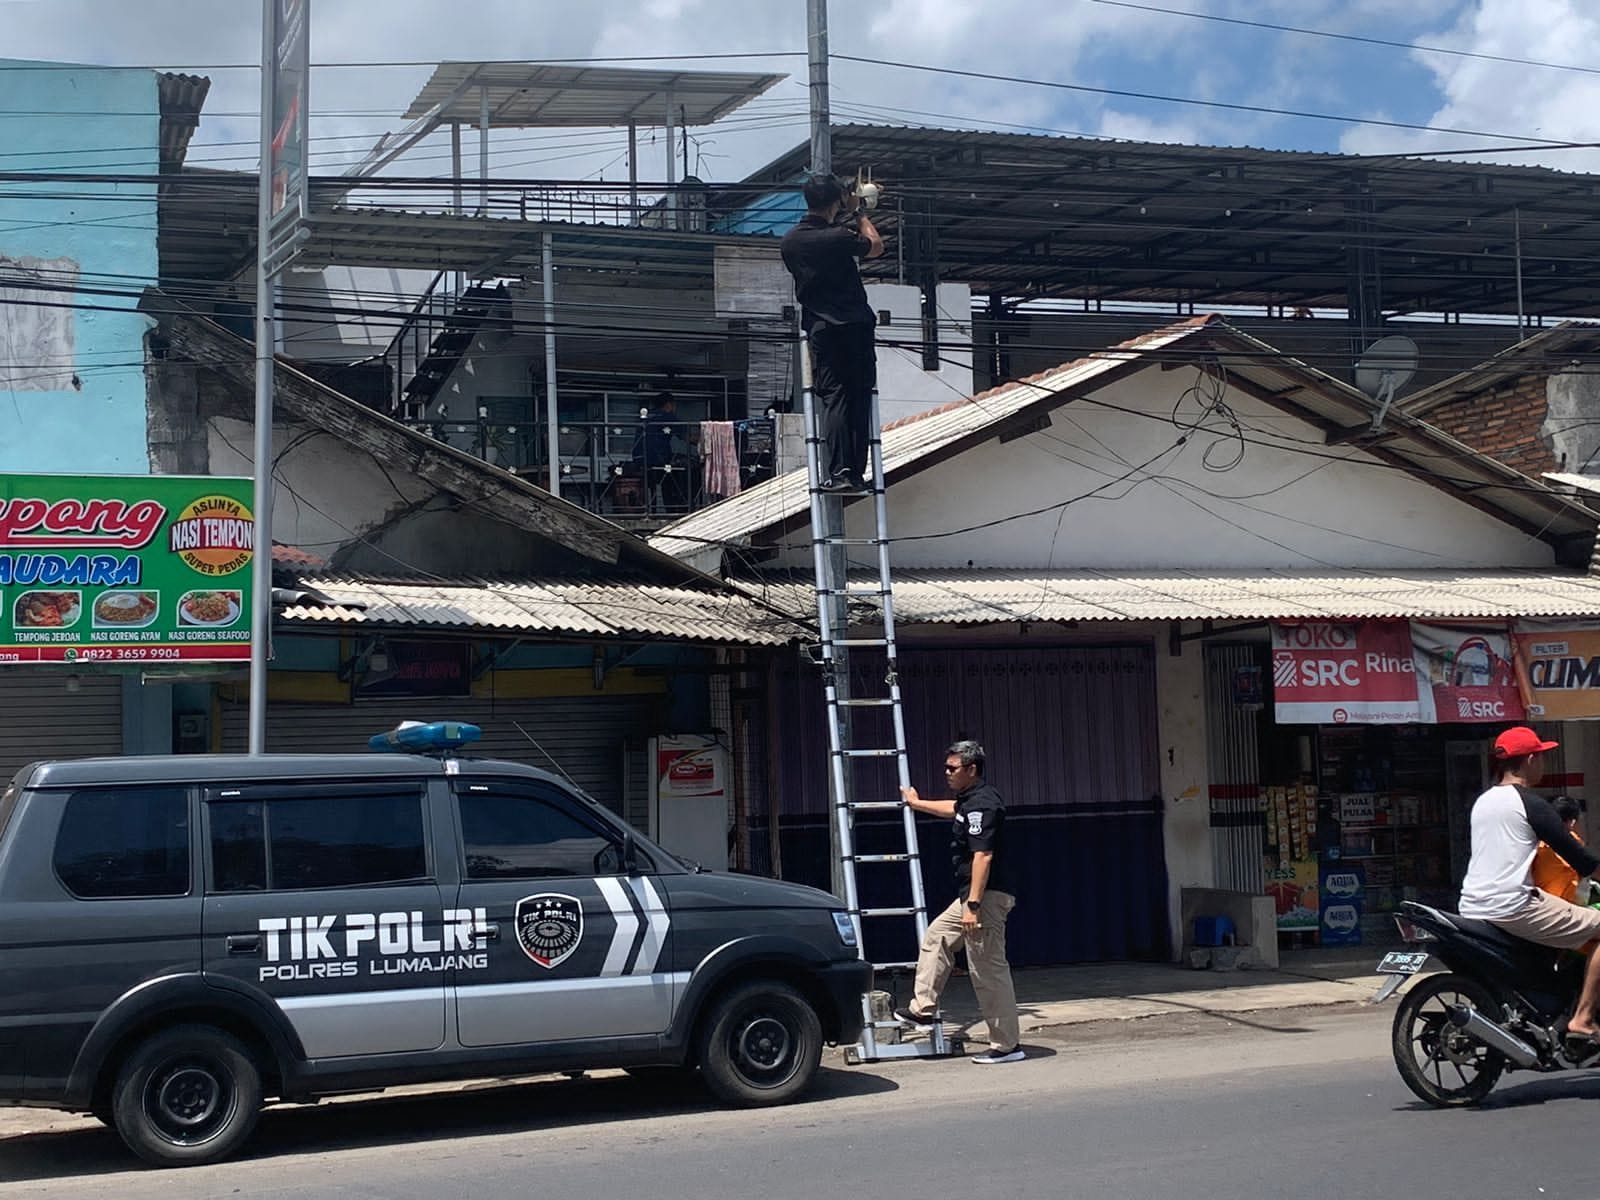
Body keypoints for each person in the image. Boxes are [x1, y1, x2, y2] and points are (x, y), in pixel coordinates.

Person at [1459, 727, 1600, 1042]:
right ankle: (1583, 1019)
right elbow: (1580, 858)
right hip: (1513, 906)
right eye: (1542, 757)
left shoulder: (1483, 801)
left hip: (1473, 904)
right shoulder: (1530, 804)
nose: (1543, 765)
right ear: (1531, 759)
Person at [894, 739, 1023, 1064]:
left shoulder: (984, 804)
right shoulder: (970, 801)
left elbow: (983, 855)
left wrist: (974, 906)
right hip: (971, 896)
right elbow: (954, 810)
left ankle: (1007, 1046)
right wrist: (917, 803)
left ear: (972, 769)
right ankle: (922, 1009)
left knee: (987, 969)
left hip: (985, 898)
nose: (946, 773)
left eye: (952, 768)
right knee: (937, 936)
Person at [779, 174, 885, 493]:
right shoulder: (839, 236)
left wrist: (841, 209)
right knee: (859, 398)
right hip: (854, 325)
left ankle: (838, 472)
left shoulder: (791, 241)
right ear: (836, 201)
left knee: (835, 397)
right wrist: (860, 212)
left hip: (820, 328)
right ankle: (854, 474)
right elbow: (876, 247)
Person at [632, 392, 686, 511]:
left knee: (659, 477)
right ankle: (675, 509)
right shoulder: (667, 417)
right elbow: (686, 437)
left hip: (638, 459)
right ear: (669, 405)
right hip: (658, 460)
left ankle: (651, 509)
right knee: (678, 475)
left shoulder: (646, 417)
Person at [1533, 798, 1586, 904]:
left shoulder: (1536, 842)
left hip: (1541, 904)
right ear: (1572, 822)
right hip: (1556, 905)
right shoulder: (1575, 843)